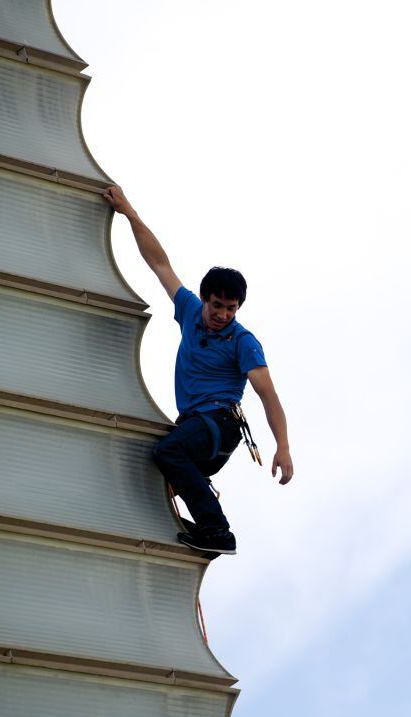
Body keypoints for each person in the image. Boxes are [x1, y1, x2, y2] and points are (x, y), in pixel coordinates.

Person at [104, 185, 294, 555]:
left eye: (231, 308)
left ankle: (217, 530)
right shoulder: (190, 310)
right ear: (205, 298)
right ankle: (182, 524)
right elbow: (159, 263)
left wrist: (283, 446)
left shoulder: (243, 341)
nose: (223, 315)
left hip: (220, 426)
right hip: (196, 426)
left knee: (168, 452)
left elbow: (267, 394)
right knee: (161, 469)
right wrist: (129, 212)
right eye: (218, 306)